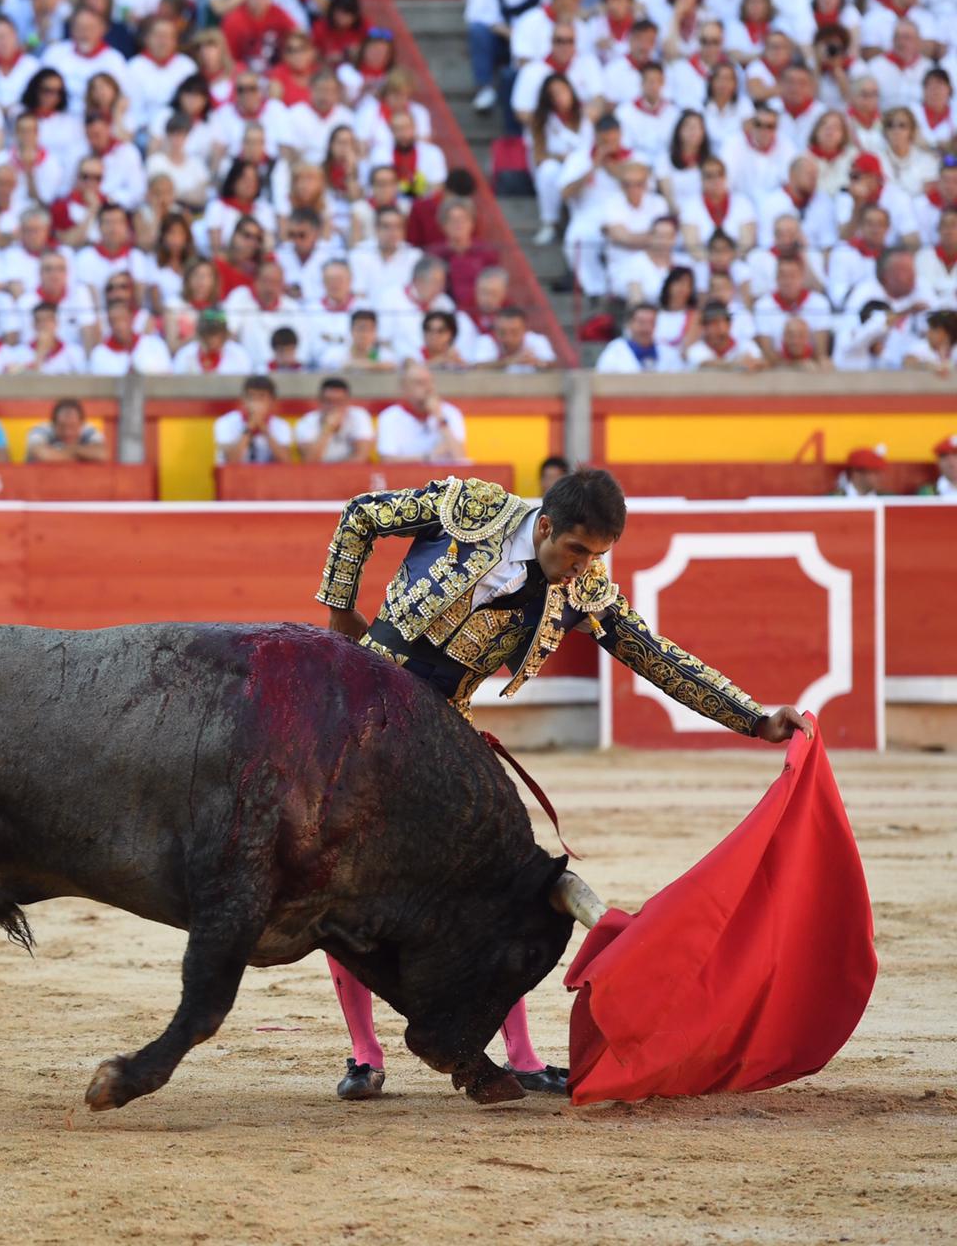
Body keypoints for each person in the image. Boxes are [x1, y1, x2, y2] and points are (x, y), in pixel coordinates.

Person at [316, 469, 812, 1101]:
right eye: (577, 550)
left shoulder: (586, 592)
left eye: (597, 555)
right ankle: (365, 1055)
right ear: (545, 526)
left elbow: (655, 655)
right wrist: (339, 616)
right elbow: (360, 514)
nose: (583, 568)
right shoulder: (470, 508)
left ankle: (520, 1055)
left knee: (495, 885)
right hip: (357, 709)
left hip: (442, 737)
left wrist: (754, 716)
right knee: (340, 882)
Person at [375, 363, 467, 463]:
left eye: (430, 382)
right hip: (407, 476)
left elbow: (460, 457)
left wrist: (439, 417)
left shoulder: (449, 412)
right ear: (404, 387)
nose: (428, 388)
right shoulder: (389, 417)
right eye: (420, 383)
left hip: (444, 477)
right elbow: (387, 461)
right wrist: (428, 457)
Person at [293, 377, 376, 464]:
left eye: (339, 402)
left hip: (351, 473)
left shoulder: (359, 416)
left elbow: (361, 457)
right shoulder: (307, 422)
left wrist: (337, 474)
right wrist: (327, 428)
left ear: (348, 402)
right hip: (319, 474)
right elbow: (310, 461)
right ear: (319, 401)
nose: (333, 407)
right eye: (328, 401)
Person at [214, 374, 293, 464]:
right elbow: (230, 462)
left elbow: (286, 462)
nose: (256, 402)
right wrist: (249, 427)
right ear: (244, 400)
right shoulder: (226, 423)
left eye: (261, 397)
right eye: (251, 397)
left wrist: (264, 429)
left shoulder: (281, 425)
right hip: (235, 477)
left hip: (269, 477)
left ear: (272, 401)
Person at [595, 303, 679, 372]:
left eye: (651, 322)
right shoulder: (615, 351)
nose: (646, 328)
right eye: (641, 322)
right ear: (629, 324)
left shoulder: (668, 352)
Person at [26, 398, 109, 463]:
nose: (67, 432)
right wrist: (80, 454)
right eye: (62, 426)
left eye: (72, 426)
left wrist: (73, 450)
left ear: (81, 424)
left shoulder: (89, 430)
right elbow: (41, 455)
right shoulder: (40, 430)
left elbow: (102, 454)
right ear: (53, 424)